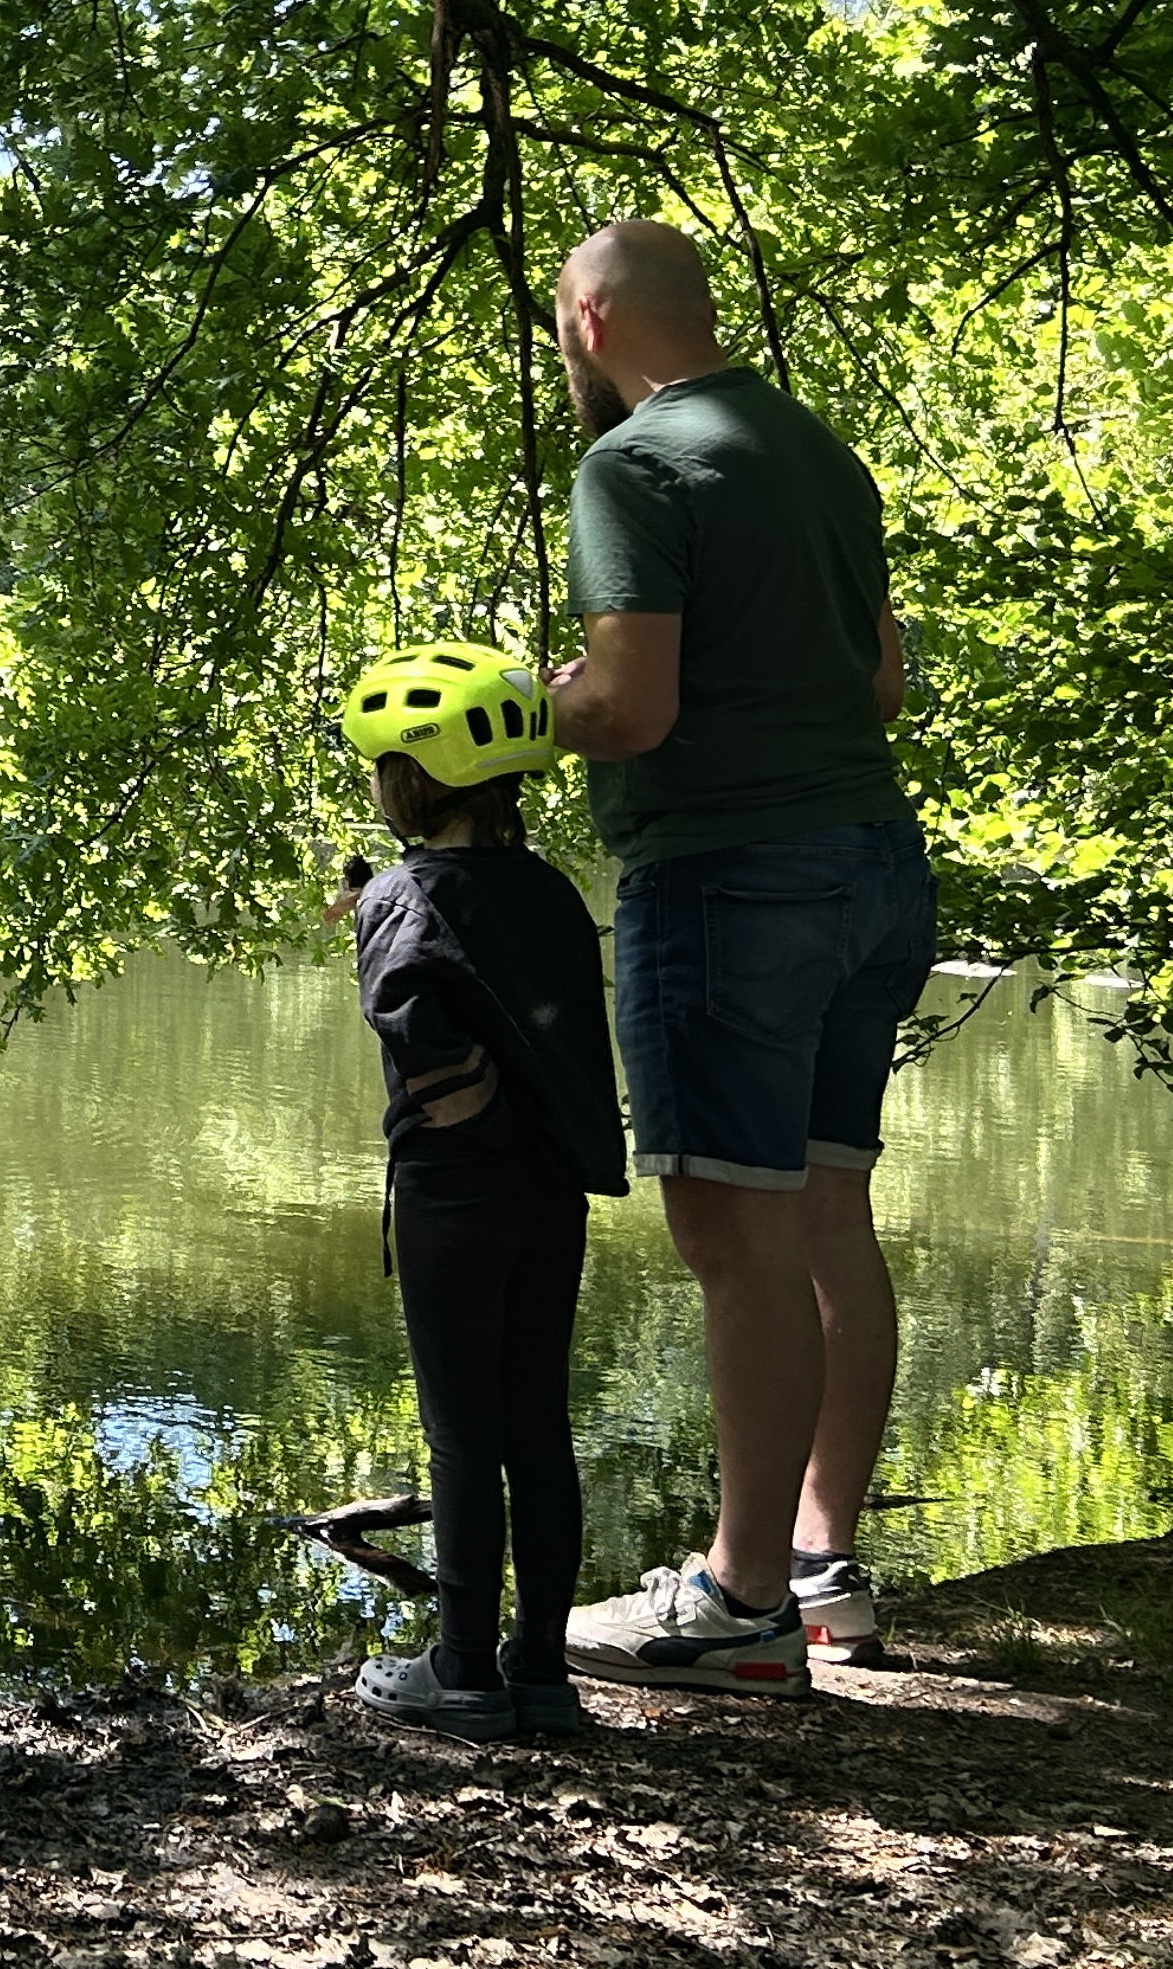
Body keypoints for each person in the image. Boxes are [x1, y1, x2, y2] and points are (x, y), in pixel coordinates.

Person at [544, 218, 928, 1692]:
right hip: (875, 868)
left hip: (729, 881)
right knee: (828, 1213)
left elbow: (631, 712)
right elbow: (881, 681)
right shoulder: (821, 454)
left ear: (588, 322)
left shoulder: (632, 465)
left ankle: (742, 1607)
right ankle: (823, 1571)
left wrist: (533, 698)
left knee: (733, 1237)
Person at [336, 640, 627, 1740]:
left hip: (456, 1191)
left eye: (381, 767)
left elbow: (422, 1035)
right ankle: (540, 1671)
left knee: (462, 1433)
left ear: (412, 778)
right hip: (551, 1186)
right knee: (536, 1421)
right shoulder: (547, 887)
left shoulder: (406, 893)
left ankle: (460, 1674)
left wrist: (463, 1118)